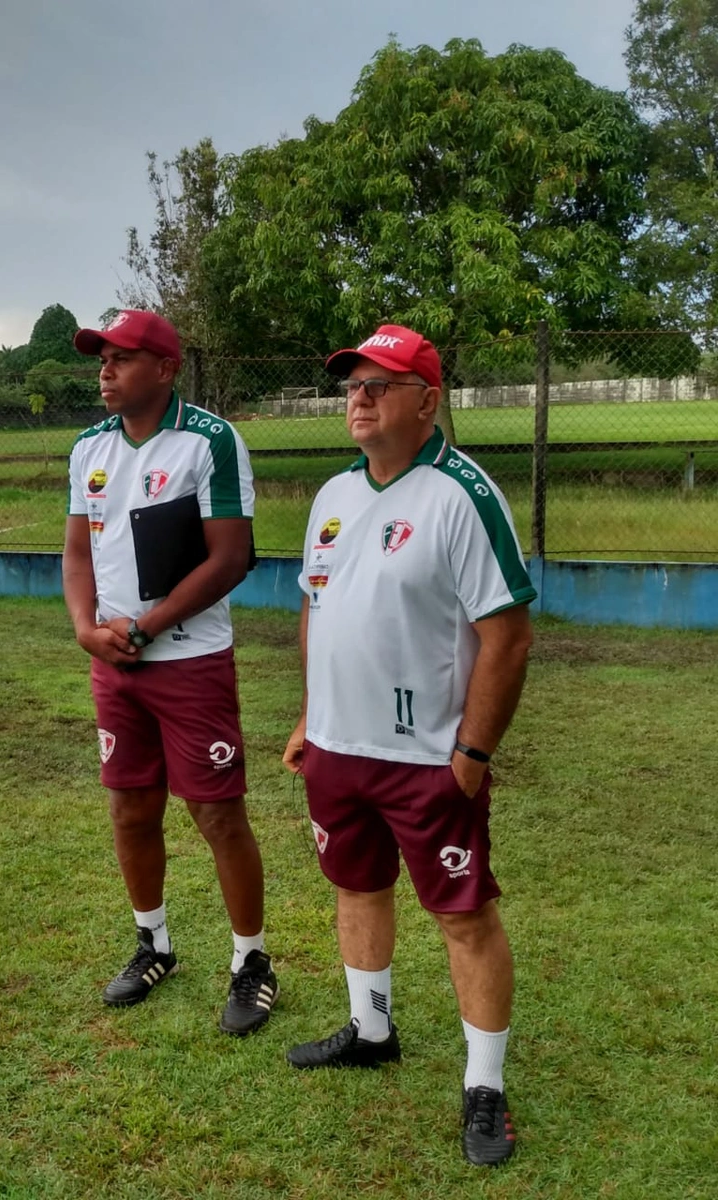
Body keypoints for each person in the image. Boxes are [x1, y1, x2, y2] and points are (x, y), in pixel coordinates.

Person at [282, 323, 536, 1166]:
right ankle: (370, 1027)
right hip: (337, 749)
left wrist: (473, 751)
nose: (358, 397)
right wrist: (309, 718)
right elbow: (319, 609)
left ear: (427, 400)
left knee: (463, 916)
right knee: (356, 887)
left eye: (379, 383)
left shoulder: (462, 494)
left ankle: (485, 1087)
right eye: (351, 383)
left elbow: (507, 633)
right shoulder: (332, 497)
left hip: (430, 757)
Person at [63, 309, 278, 1035]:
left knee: (217, 813)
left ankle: (251, 961)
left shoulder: (209, 441)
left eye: (121, 358)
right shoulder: (87, 448)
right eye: (101, 359)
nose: (105, 371)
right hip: (115, 665)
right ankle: (153, 943)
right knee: (129, 807)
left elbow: (230, 558)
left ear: (163, 368)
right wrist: (87, 630)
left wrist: (149, 626)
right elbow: (76, 554)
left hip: (189, 661)